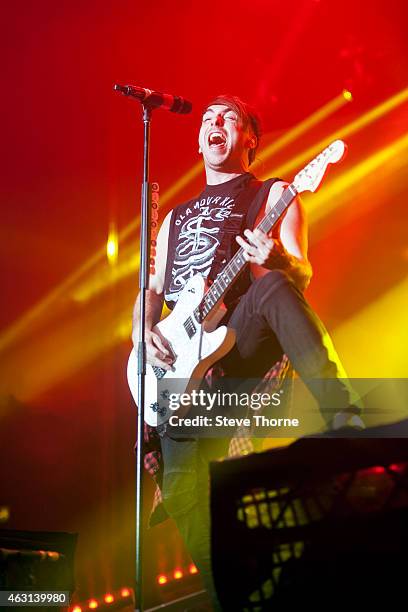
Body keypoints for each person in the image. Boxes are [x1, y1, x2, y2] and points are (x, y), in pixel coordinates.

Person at [132, 94, 363, 609]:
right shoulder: (172, 218)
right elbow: (150, 289)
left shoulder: (275, 193)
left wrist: (276, 257)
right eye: (208, 118)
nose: (214, 123)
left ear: (249, 138)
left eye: (228, 117)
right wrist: (143, 331)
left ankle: (344, 415)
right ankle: (234, 599)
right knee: (187, 491)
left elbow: (301, 271)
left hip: (237, 340)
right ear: (198, 139)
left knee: (274, 288)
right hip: (182, 363)